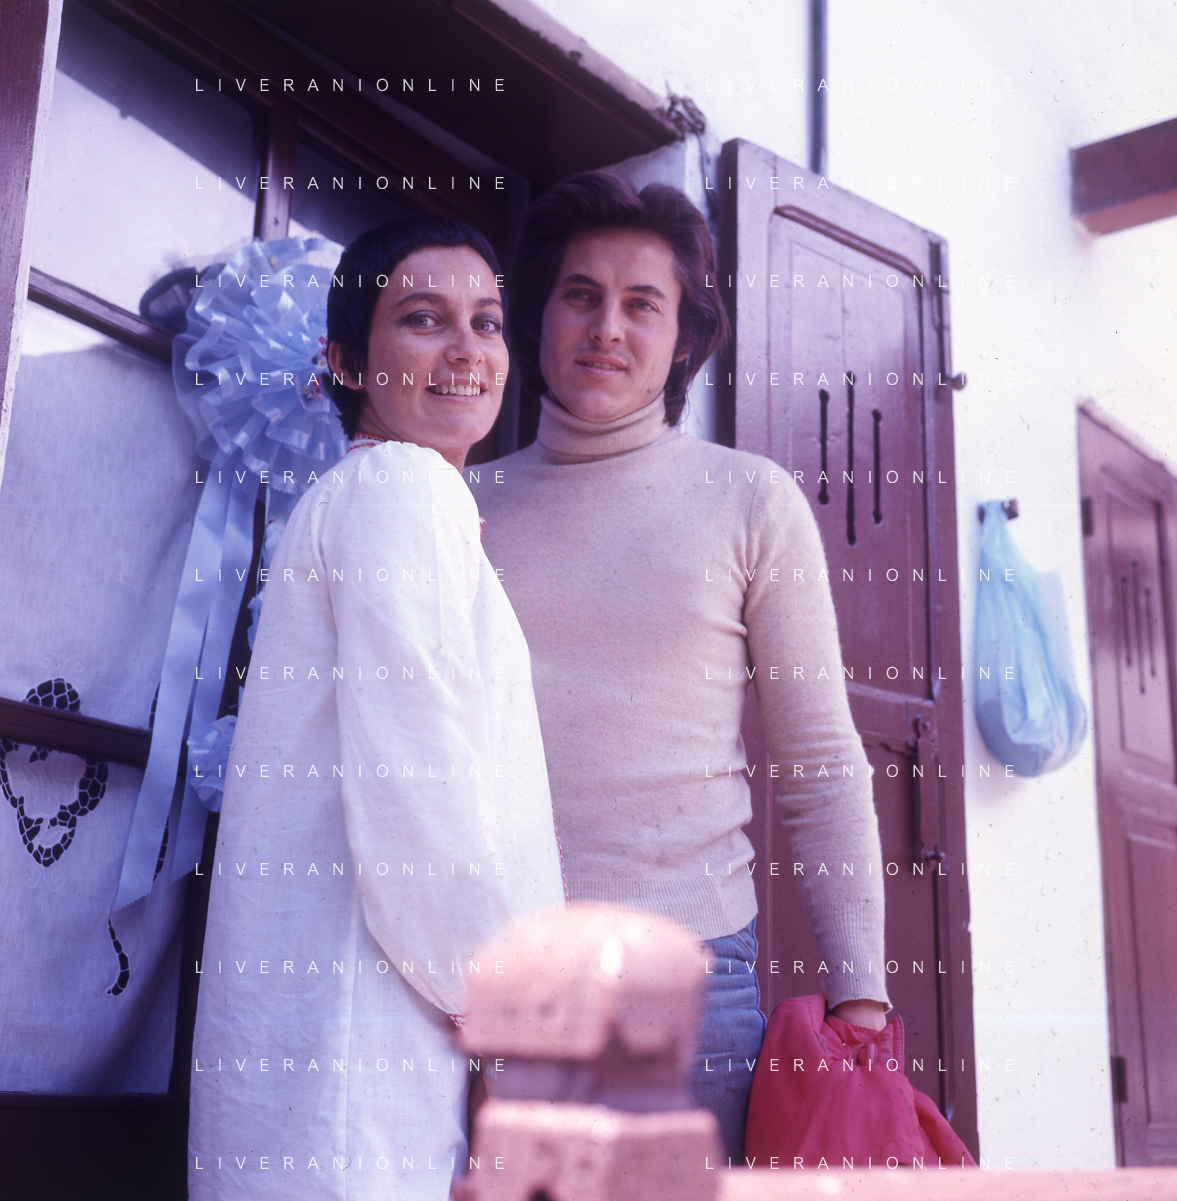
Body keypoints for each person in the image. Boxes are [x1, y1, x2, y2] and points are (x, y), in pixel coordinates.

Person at [478, 173, 890, 1161]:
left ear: (683, 339)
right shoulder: (459, 504)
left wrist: (862, 996)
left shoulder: (749, 499)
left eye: (641, 303)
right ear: (537, 315)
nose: (606, 327)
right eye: (580, 295)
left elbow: (820, 762)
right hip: (481, 974)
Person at [188, 217, 565, 1200]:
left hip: (347, 1031)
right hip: (364, 1038)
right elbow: (420, 784)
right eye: (423, 319)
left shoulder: (370, 496)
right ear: (346, 362)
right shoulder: (401, 489)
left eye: (487, 322)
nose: (466, 349)